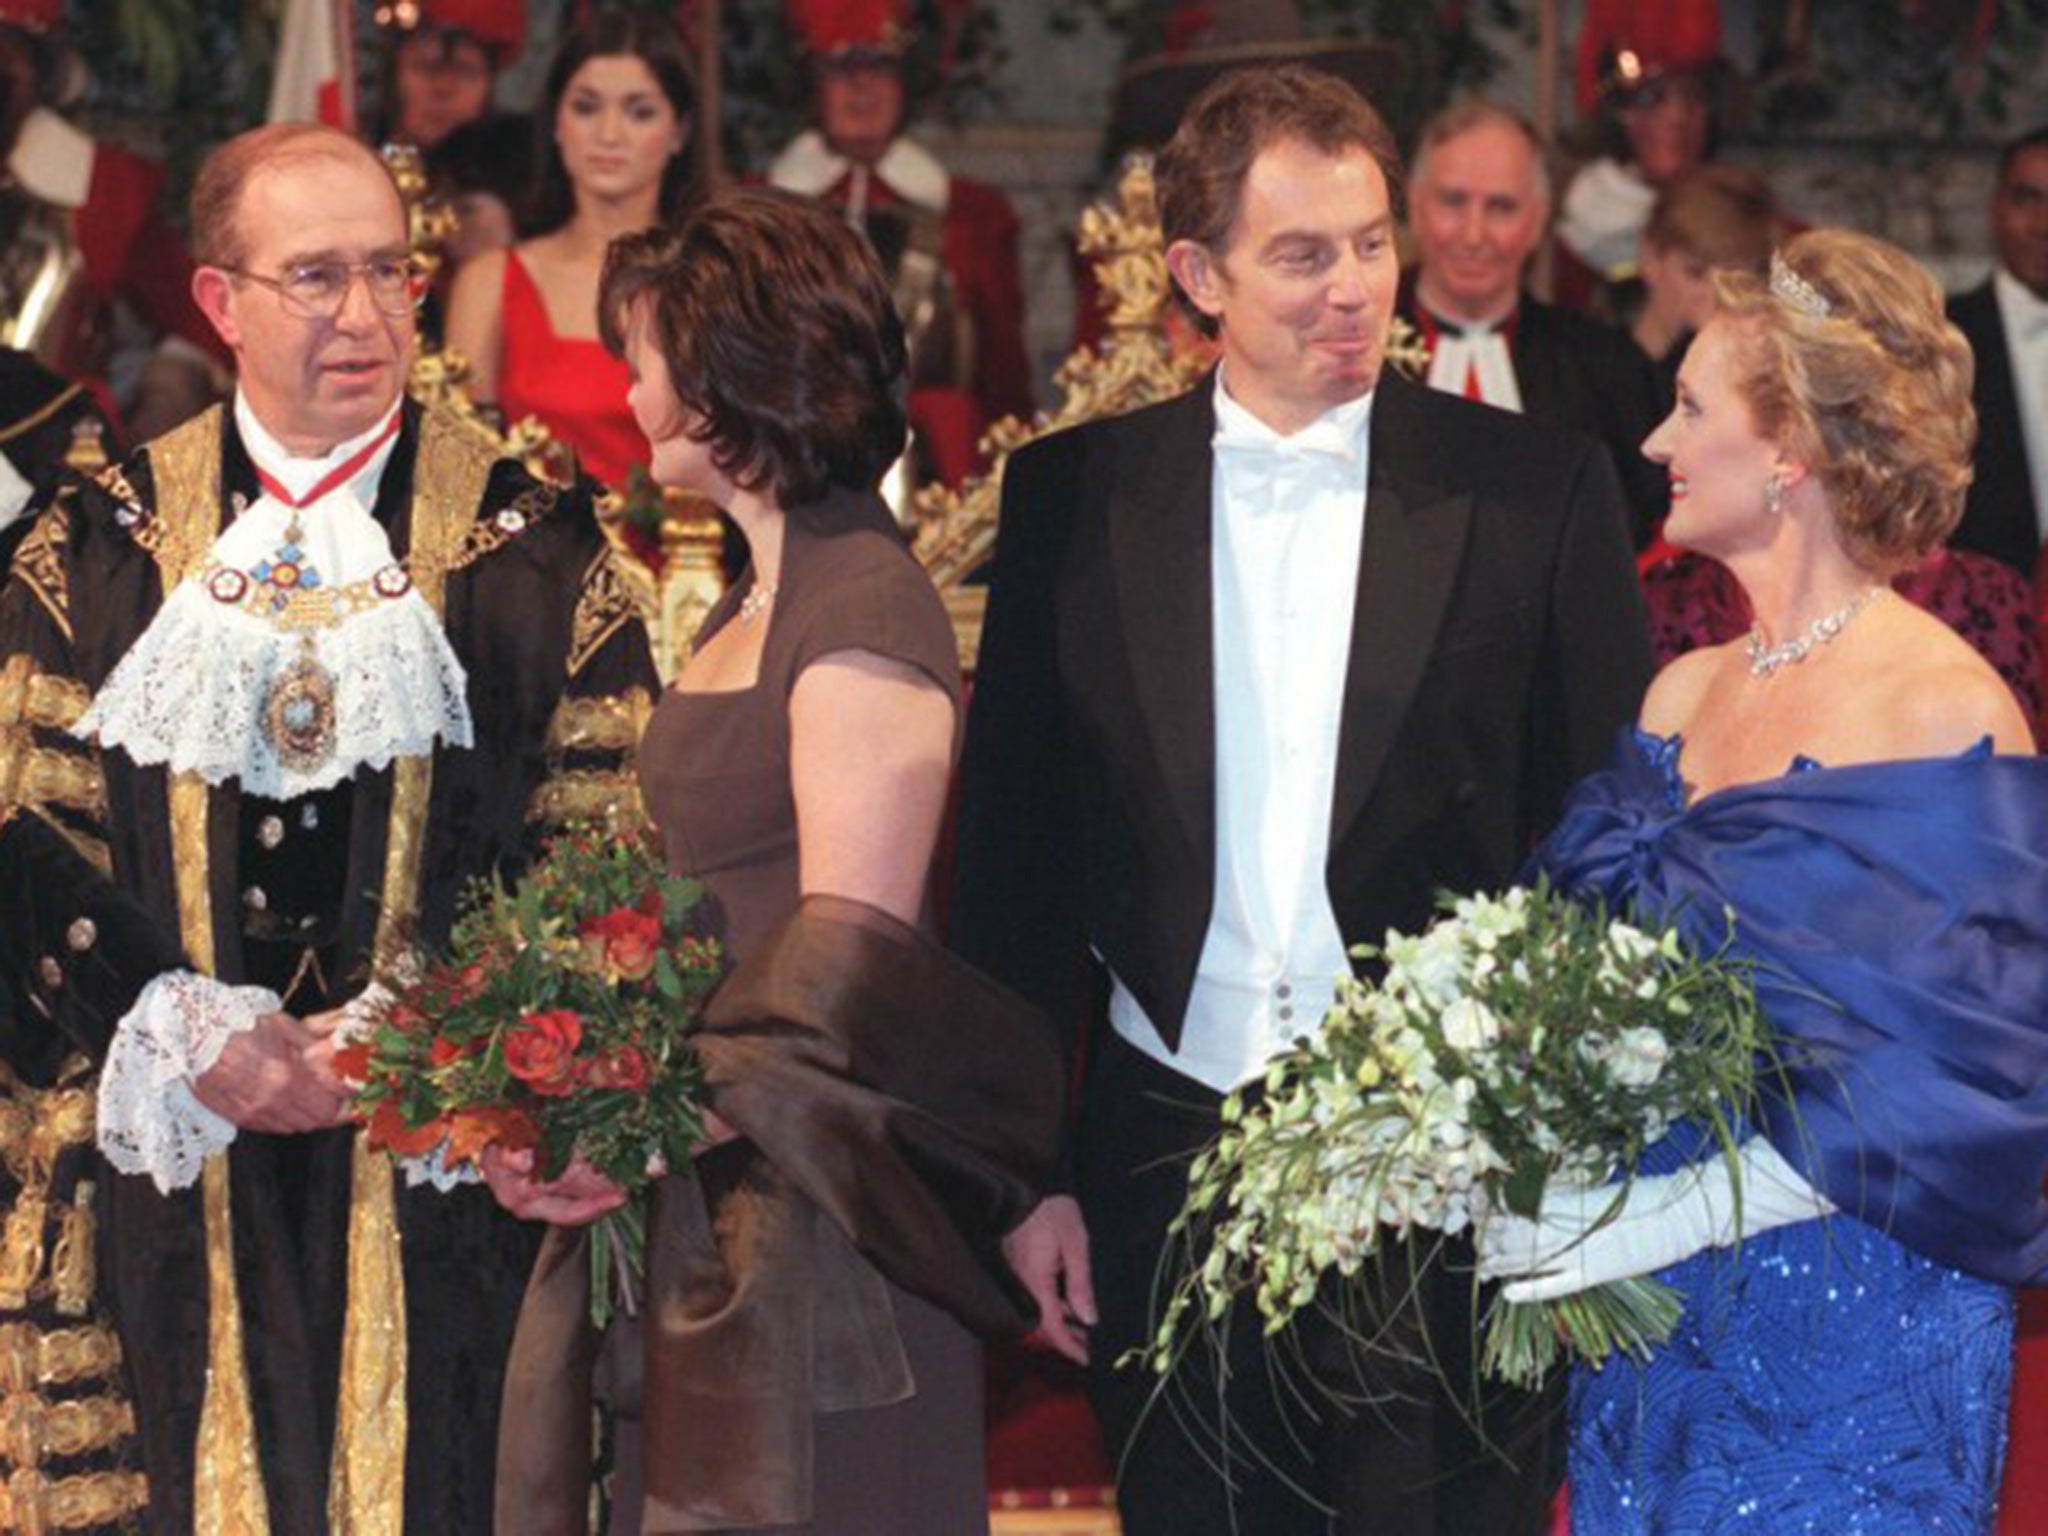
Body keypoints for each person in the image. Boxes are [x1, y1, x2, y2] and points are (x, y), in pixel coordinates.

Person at [949, 65, 1652, 1535]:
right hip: (1160, 1149)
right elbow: (1016, 862)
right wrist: (1030, 1177)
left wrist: (1571, 1160)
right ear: (1196, 274)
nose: (1356, 290)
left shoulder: (1537, 491)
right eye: (1302, 254)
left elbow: (1609, 847)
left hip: (1449, 1162)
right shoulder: (1071, 496)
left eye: (1371, 242)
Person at [0, 122, 657, 1532]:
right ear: (220, 302)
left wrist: (443, 1030)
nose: (363, 316)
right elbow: (18, 841)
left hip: (441, 1175)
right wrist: (174, 1018)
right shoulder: (95, 546)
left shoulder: (534, 548)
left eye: (389, 273)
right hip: (167, 1179)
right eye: (314, 277)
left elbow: (606, 852)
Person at [481, 187, 1060, 1535]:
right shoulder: (763, 593)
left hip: (817, 1235)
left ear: (726, 372)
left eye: (644, 352)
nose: (627, 387)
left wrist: (633, 1132)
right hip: (721, 1195)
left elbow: (845, 970)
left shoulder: (859, 602)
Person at [1481, 229, 2048, 1532]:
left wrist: (1655, 1219)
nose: (1655, 444)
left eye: (1689, 408)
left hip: (1859, 1328)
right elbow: (1592, 985)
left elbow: (1962, 1088)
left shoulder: (1941, 702)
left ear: (1789, 450)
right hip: (1653, 1334)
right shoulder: (1681, 689)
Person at [768, 0, 1033, 485]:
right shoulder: (760, 210)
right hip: (793, 467)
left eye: (880, 67)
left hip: (942, 477)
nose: (861, 86)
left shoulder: (973, 214)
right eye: (840, 68)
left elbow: (1004, 383)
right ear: (812, 80)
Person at [444, 11, 694, 506]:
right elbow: (457, 476)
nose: (608, 134)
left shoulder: (715, 281)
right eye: (585, 107)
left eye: (639, 112)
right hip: (529, 569)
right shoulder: (490, 281)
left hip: (697, 570)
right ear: (556, 121)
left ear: (679, 132)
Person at [1401, 98, 1669, 545]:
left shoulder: (1605, 367)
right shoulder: (1348, 352)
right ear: (1415, 207)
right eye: (1452, 202)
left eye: (1501, 208)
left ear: (1538, 221)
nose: (1473, 235)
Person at [1555, 1, 1724, 316]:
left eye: (1692, 95)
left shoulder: (1750, 224)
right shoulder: (1568, 248)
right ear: (1617, 115)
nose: (1677, 116)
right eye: (1653, 98)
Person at [1948, 124, 2048, 579]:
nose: (2044, 223)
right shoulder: (1943, 337)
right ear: (1995, 208)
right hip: (1978, 615)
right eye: (2027, 199)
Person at [1629, 162, 1777, 383]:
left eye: (1738, 281)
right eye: (1696, 273)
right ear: (1651, 258)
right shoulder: (1588, 372)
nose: (1715, 296)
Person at [374, 0, 525, 151]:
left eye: (466, 72)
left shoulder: (524, 168)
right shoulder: (357, 164)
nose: (443, 87)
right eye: (427, 67)